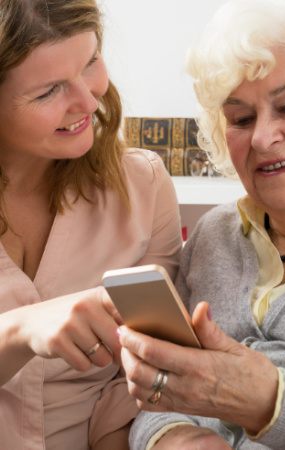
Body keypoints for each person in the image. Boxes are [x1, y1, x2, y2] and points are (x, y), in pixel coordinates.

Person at [118, 0, 285, 448]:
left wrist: (271, 402)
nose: (262, 137)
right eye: (240, 119)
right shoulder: (213, 235)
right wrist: (176, 437)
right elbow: (165, 393)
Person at [0, 0, 182, 449]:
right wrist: (20, 331)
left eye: (91, 62)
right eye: (48, 92)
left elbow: (133, 384)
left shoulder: (143, 187)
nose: (88, 100)